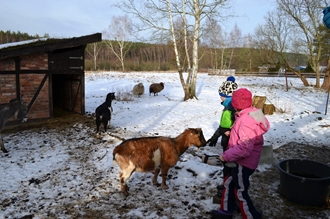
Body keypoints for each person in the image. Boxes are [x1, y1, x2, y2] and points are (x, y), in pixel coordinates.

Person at [209, 88, 270, 219]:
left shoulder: (245, 121)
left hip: (243, 163)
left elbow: (244, 148)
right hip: (238, 160)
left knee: (240, 192)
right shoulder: (253, 113)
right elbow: (249, 133)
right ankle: (225, 211)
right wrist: (234, 132)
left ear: (236, 104)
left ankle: (252, 216)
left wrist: (224, 156)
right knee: (228, 184)